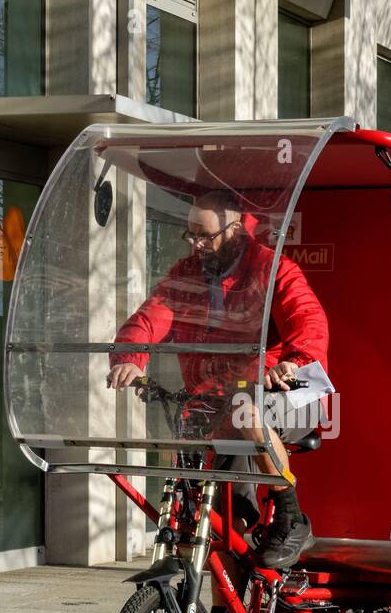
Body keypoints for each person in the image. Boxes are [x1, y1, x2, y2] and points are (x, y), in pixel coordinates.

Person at [106, 189, 329, 569]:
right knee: (224, 526)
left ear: (235, 229)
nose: (196, 244)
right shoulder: (185, 276)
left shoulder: (270, 269)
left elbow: (309, 322)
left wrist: (293, 362)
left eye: (204, 235)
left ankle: (292, 517)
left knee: (246, 411)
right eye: (190, 234)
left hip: (288, 392)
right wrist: (130, 358)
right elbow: (148, 319)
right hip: (218, 404)